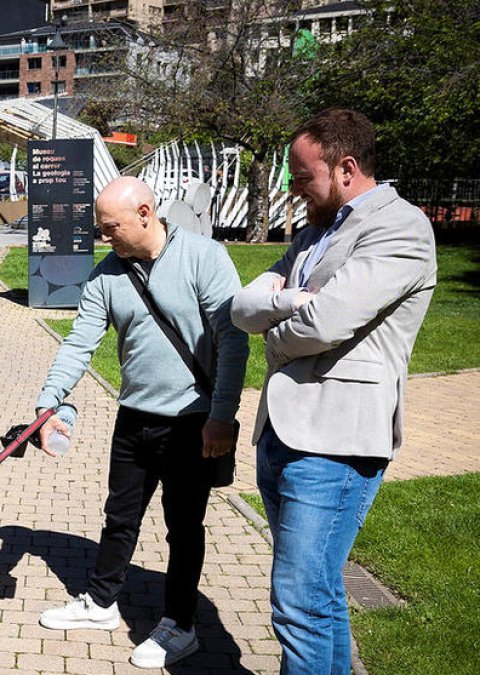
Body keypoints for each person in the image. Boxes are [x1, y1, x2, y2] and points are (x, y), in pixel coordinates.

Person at [230, 108, 436, 674]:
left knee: (299, 603)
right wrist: (290, 302)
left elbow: (325, 324)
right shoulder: (315, 233)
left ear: (346, 168)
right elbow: (242, 307)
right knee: (315, 596)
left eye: (301, 177)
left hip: (336, 445)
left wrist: (278, 329)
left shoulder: (401, 227)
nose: (294, 191)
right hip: (282, 434)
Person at [34, 177, 248, 668]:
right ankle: (101, 603)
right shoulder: (108, 273)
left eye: (111, 228)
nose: (104, 238)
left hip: (193, 422)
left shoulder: (204, 257)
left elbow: (233, 340)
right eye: (101, 228)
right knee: (119, 516)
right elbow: (79, 343)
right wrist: (47, 403)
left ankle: (181, 624)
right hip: (134, 417)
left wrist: (221, 417)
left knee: (183, 526)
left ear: (146, 213)